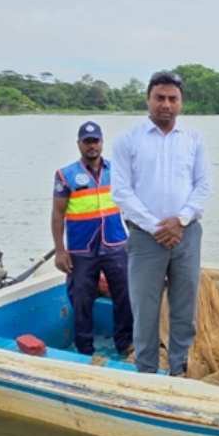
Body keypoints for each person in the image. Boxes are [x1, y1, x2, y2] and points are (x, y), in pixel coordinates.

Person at [112, 71, 211, 376]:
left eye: (172, 98)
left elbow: (203, 185)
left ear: (181, 103)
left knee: (184, 308)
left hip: (187, 235)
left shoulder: (193, 140)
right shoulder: (128, 140)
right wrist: (157, 226)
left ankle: (179, 368)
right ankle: (146, 373)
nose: (166, 104)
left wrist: (180, 221)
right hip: (145, 238)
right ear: (148, 100)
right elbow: (121, 191)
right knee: (145, 310)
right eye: (160, 98)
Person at [51, 121, 133, 356]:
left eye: (95, 141)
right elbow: (58, 215)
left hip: (115, 244)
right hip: (81, 249)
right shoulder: (65, 175)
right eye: (87, 142)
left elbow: (130, 204)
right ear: (79, 144)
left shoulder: (116, 170)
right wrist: (60, 250)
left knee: (125, 296)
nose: (92, 146)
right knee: (81, 300)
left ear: (102, 143)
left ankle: (124, 343)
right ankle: (85, 348)